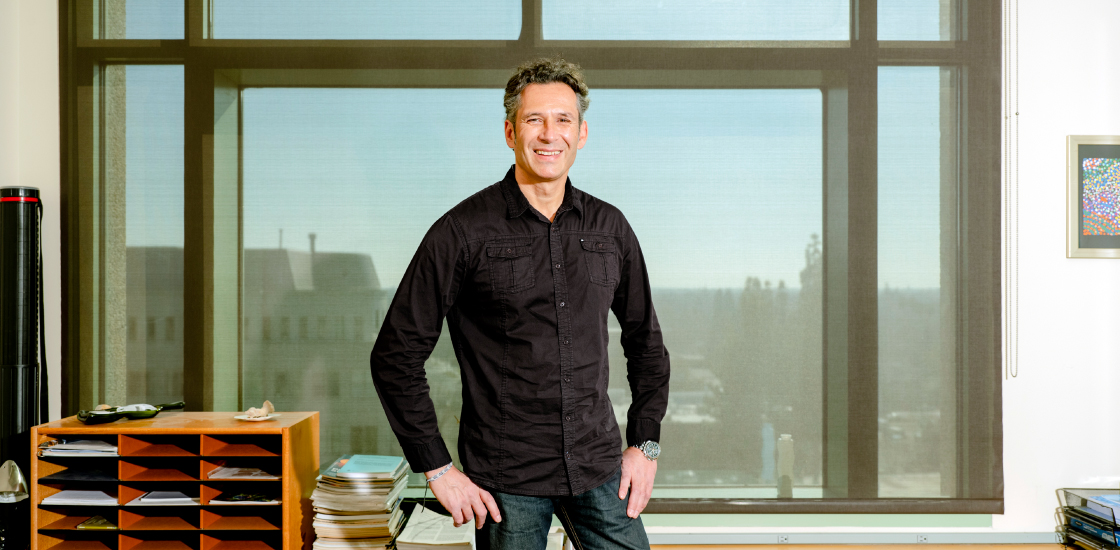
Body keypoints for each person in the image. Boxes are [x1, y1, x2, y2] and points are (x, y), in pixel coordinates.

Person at [370, 57, 670, 550]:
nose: (549, 134)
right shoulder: (461, 232)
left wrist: (645, 445)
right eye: (534, 120)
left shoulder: (610, 228)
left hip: (598, 470)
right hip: (506, 481)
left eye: (562, 120)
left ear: (582, 133)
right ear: (510, 133)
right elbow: (395, 357)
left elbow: (647, 347)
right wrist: (437, 469)